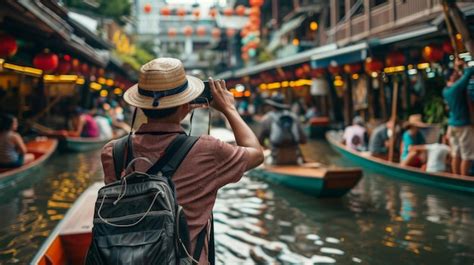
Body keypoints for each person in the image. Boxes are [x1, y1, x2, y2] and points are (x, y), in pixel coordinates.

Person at [101, 58, 263, 263]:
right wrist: (228, 108)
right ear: (186, 105)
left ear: (140, 107)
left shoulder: (112, 153)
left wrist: (182, 106)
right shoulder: (207, 151)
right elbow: (256, 153)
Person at [442, 59, 474, 176]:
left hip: (453, 125)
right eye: (455, 74)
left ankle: (457, 176)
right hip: (463, 125)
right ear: (450, 77)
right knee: (467, 156)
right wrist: (463, 66)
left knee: (457, 154)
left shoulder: (446, 90)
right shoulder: (455, 89)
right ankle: (463, 179)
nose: (457, 75)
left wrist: (458, 68)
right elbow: (469, 72)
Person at [257, 94, 307, 165]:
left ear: (271, 105)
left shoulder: (266, 118)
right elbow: (304, 140)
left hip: (276, 159)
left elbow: (260, 141)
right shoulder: (294, 117)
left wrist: (267, 147)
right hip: (295, 158)